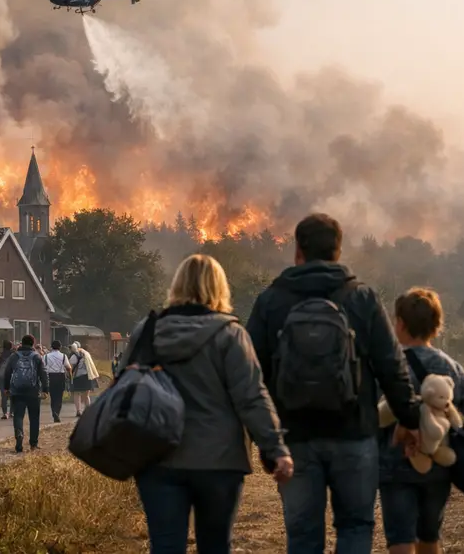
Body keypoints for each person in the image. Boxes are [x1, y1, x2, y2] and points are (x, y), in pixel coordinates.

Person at [246, 213, 421, 554]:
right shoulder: (362, 298)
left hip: (294, 437)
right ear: (338, 251)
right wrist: (410, 418)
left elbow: (252, 374)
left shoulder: (272, 301)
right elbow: (391, 366)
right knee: (355, 527)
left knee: (302, 536)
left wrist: (266, 440)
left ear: (298, 251)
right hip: (354, 434)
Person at [121, 253, 292, 554]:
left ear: (177, 285)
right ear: (219, 288)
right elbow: (251, 396)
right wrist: (275, 448)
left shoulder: (147, 331)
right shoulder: (230, 334)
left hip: (157, 455)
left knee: (165, 545)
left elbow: (125, 387)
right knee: (215, 545)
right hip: (219, 460)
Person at [380, 288, 464, 554]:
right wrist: (459, 441)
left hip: (394, 464)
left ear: (400, 323)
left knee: (400, 538)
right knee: (429, 536)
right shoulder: (450, 367)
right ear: (436, 326)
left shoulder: (388, 365)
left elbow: (370, 413)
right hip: (438, 467)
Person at [2, 334, 50, 453]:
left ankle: (19, 434)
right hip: (33, 391)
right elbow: (43, 374)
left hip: (17, 391)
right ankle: (33, 444)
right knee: (34, 417)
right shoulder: (37, 356)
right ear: (33, 343)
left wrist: (6, 388)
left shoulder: (14, 356)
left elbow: (7, 372)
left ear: (22, 343)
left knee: (18, 415)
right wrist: (45, 389)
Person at [42, 340, 71, 422]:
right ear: (60, 347)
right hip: (60, 376)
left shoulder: (46, 356)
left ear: (51, 347)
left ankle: (54, 412)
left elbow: (42, 367)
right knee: (59, 397)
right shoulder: (63, 356)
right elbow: (68, 367)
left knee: (53, 396)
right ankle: (57, 412)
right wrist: (69, 376)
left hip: (50, 377)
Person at [69, 341, 99, 417]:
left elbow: (70, 368)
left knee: (77, 394)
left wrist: (69, 376)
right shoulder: (87, 354)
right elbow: (91, 366)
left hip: (77, 377)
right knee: (86, 395)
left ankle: (78, 411)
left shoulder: (73, 356)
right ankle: (88, 411)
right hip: (88, 376)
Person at [0, 340, 15, 420]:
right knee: (13, 394)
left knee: (4, 395)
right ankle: (11, 412)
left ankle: (5, 413)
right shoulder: (14, 355)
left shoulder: (0, 355)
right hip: (12, 376)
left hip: (2, 376)